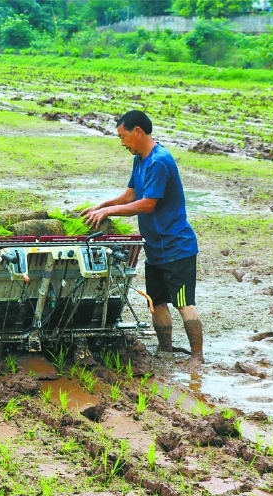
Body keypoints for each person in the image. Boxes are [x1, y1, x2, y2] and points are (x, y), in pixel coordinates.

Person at [82, 110, 204, 370]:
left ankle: (197, 356)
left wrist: (107, 212)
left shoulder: (159, 161)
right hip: (155, 247)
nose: (122, 143)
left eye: (123, 137)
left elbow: (147, 204)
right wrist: (102, 204)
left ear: (138, 132)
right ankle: (165, 351)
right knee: (156, 302)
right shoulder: (140, 159)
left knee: (184, 303)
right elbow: (129, 195)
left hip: (177, 246)